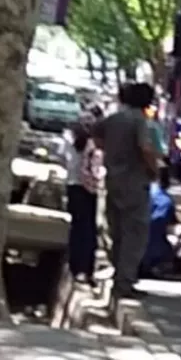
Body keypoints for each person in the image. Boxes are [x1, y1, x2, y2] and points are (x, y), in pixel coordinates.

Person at [92, 82, 159, 299]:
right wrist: (153, 169)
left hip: (113, 180)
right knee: (135, 233)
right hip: (135, 182)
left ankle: (118, 274)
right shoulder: (140, 121)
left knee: (117, 230)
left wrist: (112, 152)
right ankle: (125, 281)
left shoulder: (114, 119)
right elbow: (145, 148)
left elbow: (96, 136)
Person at [65, 113, 101, 284]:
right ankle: (86, 269)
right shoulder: (93, 145)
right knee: (89, 230)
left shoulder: (69, 141)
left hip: (73, 187)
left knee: (76, 228)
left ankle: (74, 267)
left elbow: (65, 161)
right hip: (89, 190)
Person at [141, 165, 178, 278]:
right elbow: (170, 225)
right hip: (156, 251)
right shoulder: (165, 201)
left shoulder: (141, 193)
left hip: (134, 251)